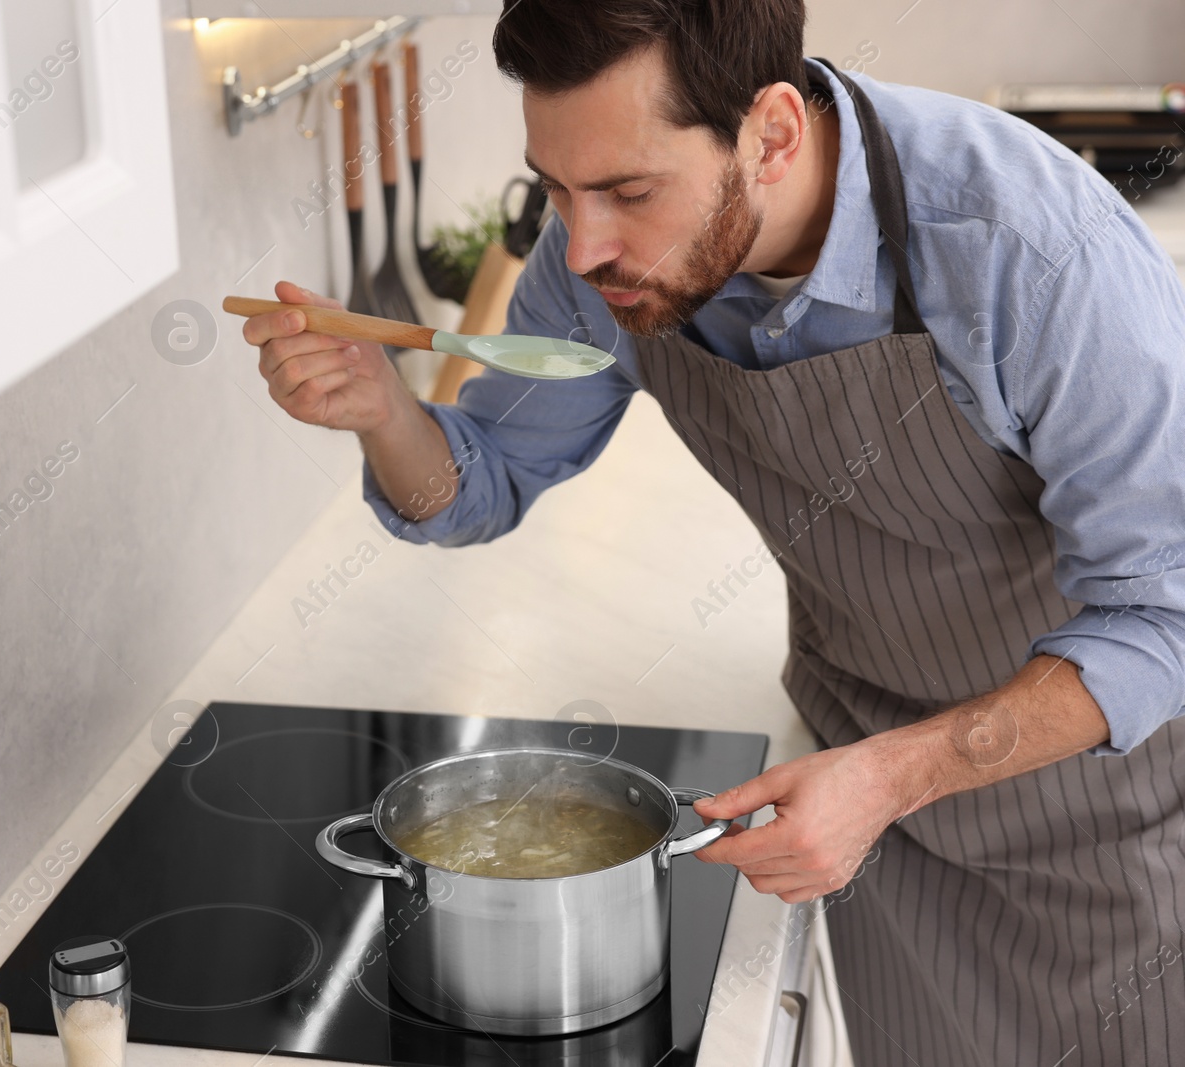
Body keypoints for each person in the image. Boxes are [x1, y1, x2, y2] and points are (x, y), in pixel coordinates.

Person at [238, 2, 1185, 1063]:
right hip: (861, 797)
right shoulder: (597, 256)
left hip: (1101, 817)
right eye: (556, 186)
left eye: (629, 191)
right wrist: (384, 411)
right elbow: (475, 485)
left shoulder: (1033, 252)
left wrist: (890, 774)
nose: (583, 244)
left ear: (770, 134)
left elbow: (1164, 616)